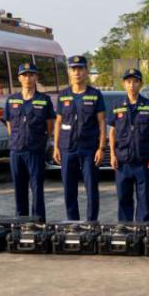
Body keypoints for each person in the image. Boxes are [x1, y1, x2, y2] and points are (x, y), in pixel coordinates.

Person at [52, 55, 107, 220]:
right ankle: (72, 222)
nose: (77, 72)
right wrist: (55, 147)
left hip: (89, 149)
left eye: (80, 69)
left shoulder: (95, 95)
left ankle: (91, 223)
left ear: (86, 72)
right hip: (68, 148)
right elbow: (58, 122)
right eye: (73, 69)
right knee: (69, 189)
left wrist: (101, 148)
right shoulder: (63, 95)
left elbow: (102, 122)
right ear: (69, 72)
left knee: (91, 188)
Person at [4, 62, 55, 221]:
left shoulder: (44, 100)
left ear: (36, 77)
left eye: (31, 74)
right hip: (16, 151)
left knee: (37, 189)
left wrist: (39, 142)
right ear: (19, 78)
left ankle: (38, 222)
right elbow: (9, 125)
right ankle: (21, 222)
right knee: (19, 189)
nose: (28, 78)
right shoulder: (11, 100)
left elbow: (49, 126)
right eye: (25, 75)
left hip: (35, 152)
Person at [108, 68, 149, 222]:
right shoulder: (117, 105)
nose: (132, 85)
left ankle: (144, 230)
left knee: (143, 199)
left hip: (142, 160)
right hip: (123, 161)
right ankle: (125, 230)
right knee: (123, 198)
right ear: (124, 84)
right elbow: (112, 132)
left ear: (140, 84)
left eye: (135, 81)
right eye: (128, 81)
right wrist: (112, 154)